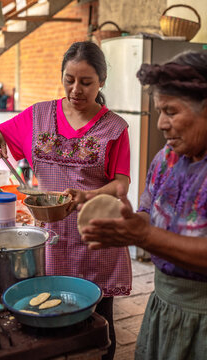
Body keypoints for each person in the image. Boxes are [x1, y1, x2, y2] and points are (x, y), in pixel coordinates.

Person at [0, 41, 132, 360]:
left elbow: (121, 185)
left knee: (99, 322)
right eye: (69, 79)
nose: (76, 89)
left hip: (96, 237)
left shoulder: (115, 128)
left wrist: (87, 195)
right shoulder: (38, 116)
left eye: (87, 82)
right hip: (50, 238)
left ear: (102, 81)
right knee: (50, 315)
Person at [81, 51, 207, 360]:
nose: (161, 124)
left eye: (171, 111)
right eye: (159, 111)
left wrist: (143, 237)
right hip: (164, 306)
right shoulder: (167, 159)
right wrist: (128, 224)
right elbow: (148, 215)